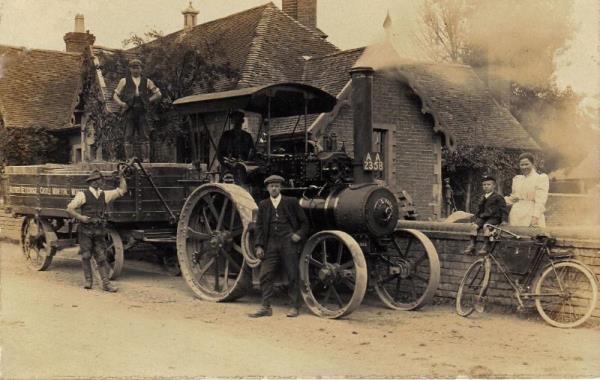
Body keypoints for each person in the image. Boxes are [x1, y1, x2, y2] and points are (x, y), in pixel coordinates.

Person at [249, 175, 309, 318]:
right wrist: (259, 246)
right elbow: (259, 228)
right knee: (265, 275)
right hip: (271, 244)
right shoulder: (263, 204)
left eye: (276, 186)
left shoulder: (291, 202)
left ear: (280, 187)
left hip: (288, 243)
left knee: (292, 274)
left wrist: (298, 235)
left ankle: (294, 306)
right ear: (267, 188)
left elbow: (305, 223)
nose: (274, 188)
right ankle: (265, 307)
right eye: (271, 186)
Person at [67, 169, 127, 292]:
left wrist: (122, 178)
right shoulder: (82, 195)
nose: (101, 182)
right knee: (86, 255)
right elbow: (69, 209)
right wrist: (80, 217)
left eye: (100, 180)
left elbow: (122, 191)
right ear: (93, 182)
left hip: (99, 230)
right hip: (85, 230)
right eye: (99, 180)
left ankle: (106, 284)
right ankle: (88, 280)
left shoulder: (104, 194)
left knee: (101, 257)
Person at [113, 59, 162, 162]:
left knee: (144, 136)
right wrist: (121, 103)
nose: (135, 70)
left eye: (138, 68)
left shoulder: (147, 81)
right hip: (129, 111)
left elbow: (158, 94)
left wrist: (148, 100)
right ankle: (129, 160)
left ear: (141, 69)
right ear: (130, 69)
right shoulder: (124, 81)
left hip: (142, 111)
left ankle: (146, 160)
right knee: (128, 136)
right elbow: (115, 95)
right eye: (133, 68)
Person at [463, 175, 507, 255]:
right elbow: (479, 210)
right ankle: (472, 245)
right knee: (473, 226)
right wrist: (476, 220)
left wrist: (504, 220)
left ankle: (486, 245)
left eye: (488, 184)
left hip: (494, 217)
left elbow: (503, 209)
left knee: (486, 226)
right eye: (484, 185)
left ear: (494, 185)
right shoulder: (482, 197)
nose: (486, 186)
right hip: (484, 217)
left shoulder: (498, 197)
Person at [505, 152, 549, 227]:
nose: (524, 167)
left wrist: (535, 218)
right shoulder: (517, 179)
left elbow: (540, 201)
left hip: (531, 214)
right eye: (522, 165)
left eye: (527, 164)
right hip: (515, 214)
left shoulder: (540, 178)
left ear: (532, 164)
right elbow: (513, 198)